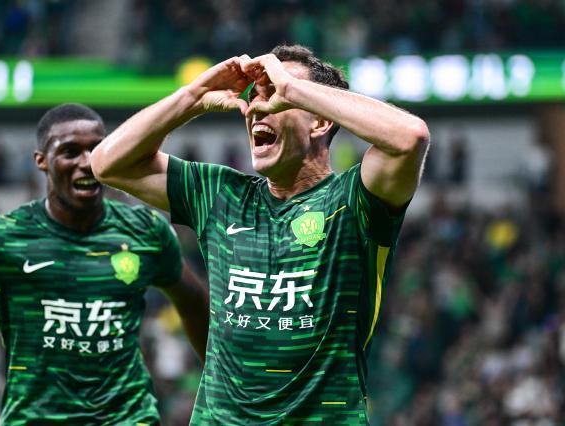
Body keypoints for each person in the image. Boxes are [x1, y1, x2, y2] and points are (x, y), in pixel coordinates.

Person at [91, 45, 430, 424]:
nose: (257, 108)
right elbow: (107, 163)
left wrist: (293, 89)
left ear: (320, 122)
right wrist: (192, 97)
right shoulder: (219, 195)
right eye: (255, 97)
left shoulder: (354, 201)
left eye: (276, 94)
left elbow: (410, 137)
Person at [0, 103, 209, 425]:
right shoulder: (1, 237)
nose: (87, 163)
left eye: (97, 150)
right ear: (41, 161)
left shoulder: (146, 231)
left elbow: (196, 304)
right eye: (70, 152)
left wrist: (221, 381)